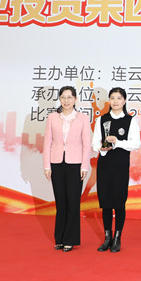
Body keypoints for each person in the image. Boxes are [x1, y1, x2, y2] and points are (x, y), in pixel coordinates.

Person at [91, 87, 141, 253]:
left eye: (119, 98)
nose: (115, 101)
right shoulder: (102, 119)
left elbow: (136, 143)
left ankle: (117, 237)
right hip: (104, 165)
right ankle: (107, 237)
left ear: (124, 101)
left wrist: (117, 142)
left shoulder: (130, 120)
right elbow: (94, 142)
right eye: (112, 98)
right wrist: (101, 148)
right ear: (109, 100)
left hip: (120, 166)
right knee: (105, 202)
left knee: (119, 202)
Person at [43, 86, 92, 252]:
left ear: (75, 99)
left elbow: (86, 144)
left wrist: (84, 166)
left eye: (69, 97)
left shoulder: (83, 118)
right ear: (59, 99)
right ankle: (60, 238)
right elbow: (47, 143)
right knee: (61, 202)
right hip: (56, 163)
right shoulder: (52, 117)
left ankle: (70, 239)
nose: (66, 100)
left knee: (73, 202)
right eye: (63, 97)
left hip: (75, 164)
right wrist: (47, 165)